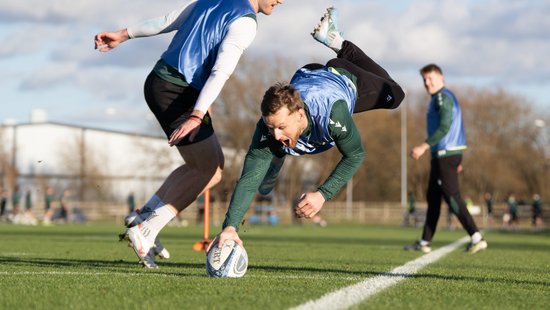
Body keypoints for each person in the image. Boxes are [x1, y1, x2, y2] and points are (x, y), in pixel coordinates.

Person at [94, 0, 285, 268]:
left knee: (209, 164)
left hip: (161, 83)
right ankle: (146, 230)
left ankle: (144, 217)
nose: (281, 1)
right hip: (177, 92)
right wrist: (196, 114)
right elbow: (221, 71)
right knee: (209, 170)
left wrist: (123, 34)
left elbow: (166, 21)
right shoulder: (245, 22)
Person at [210, 7, 404, 250]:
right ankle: (279, 155)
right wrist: (230, 227)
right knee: (262, 168)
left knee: (395, 94)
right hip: (308, 74)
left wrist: (322, 194)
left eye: (281, 126)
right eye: (272, 128)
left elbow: (355, 154)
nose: (276, 133)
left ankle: (338, 43)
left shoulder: (334, 114)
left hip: (344, 75)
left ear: (300, 114)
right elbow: (248, 179)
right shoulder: (268, 127)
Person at [404, 64, 487, 254]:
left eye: (430, 78)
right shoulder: (439, 98)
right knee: (433, 198)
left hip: (445, 155)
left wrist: (423, 146)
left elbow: (445, 127)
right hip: (445, 155)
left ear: (442, 78)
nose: (427, 83)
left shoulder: (442, 97)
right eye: (424, 80)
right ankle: (424, 242)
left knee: (452, 196)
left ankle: (477, 237)